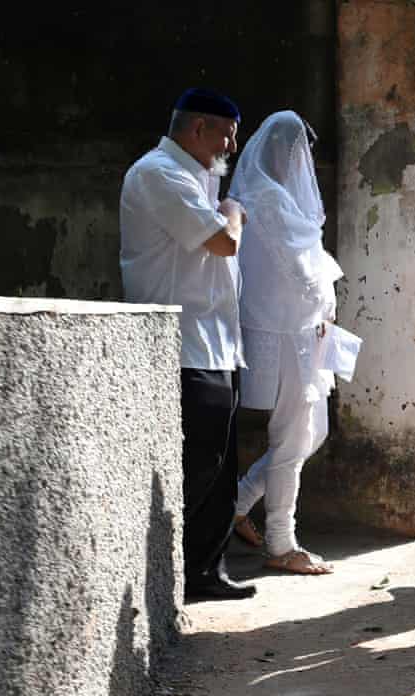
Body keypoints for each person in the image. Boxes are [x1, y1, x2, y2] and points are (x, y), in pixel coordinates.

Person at [120, 88, 252, 599]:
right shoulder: (158, 173)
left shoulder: (193, 175)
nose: (231, 145)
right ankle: (154, 566)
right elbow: (225, 240)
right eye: (227, 133)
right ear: (198, 128)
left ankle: (203, 571)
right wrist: (233, 209)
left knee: (221, 470)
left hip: (215, 343)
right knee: (198, 463)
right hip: (184, 346)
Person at [228, 111, 356, 575]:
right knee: (292, 437)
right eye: (298, 152)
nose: (301, 163)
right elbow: (302, 267)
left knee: (309, 433)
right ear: (283, 151)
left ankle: (239, 502)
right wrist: (325, 302)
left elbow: (308, 260)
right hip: (286, 332)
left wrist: (323, 307)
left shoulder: (269, 195)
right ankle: (282, 543)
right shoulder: (269, 199)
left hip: (298, 330)